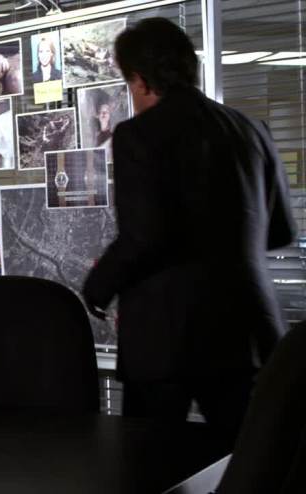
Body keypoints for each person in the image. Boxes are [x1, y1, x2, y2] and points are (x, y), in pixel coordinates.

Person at [81, 18, 295, 447]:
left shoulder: (138, 135)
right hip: (245, 334)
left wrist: (97, 288)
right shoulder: (251, 130)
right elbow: (279, 232)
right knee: (245, 463)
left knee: (150, 466)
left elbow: (144, 236)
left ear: (140, 80)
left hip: (165, 337)